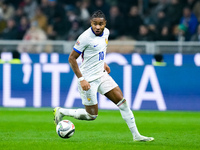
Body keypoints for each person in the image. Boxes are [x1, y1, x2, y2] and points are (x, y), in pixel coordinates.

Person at [53, 10, 154, 142]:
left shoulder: (106, 32)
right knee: (92, 115)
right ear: (91, 23)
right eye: (95, 24)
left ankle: (136, 136)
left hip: (101, 74)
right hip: (88, 79)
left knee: (122, 102)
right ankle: (62, 112)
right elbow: (72, 59)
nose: (98, 27)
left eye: (101, 24)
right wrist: (81, 79)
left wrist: (103, 62)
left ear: (105, 24)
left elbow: (99, 50)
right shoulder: (84, 38)